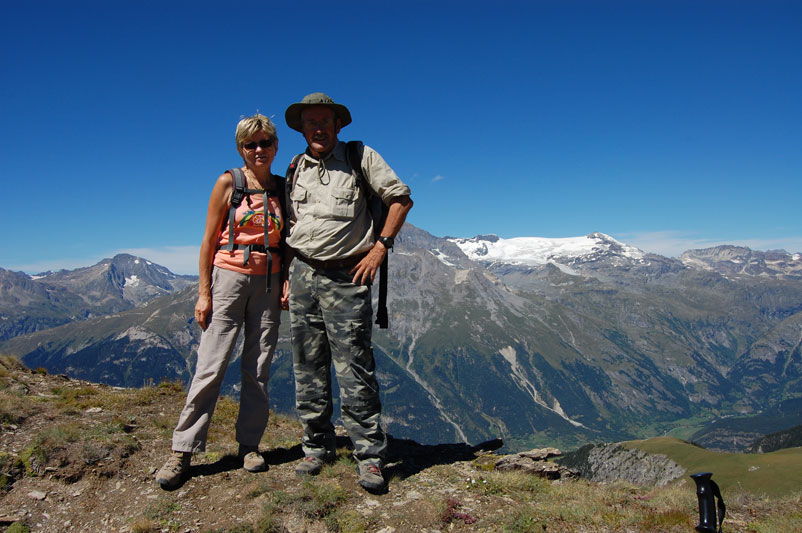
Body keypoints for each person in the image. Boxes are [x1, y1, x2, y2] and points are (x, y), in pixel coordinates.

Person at [282, 93, 413, 493]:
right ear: (302, 128)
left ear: (338, 125)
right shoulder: (294, 168)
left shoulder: (360, 157)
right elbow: (292, 223)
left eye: (325, 121)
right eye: (310, 122)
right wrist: (288, 274)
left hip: (346, 276)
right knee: (307, 364)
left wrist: (380, 247)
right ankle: (316, 447)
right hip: (303, 272)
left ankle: (370, 457)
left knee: (354, 367)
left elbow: (400, 198)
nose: (318, 128)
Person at [155, 114, 285, 489]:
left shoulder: (281, 188)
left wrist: (286, 280)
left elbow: (288, 240)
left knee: (258, 367)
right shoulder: (228, 182)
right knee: (210, 365)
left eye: (265, 143)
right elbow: (209, 240)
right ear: (241, 149)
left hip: (270, 281)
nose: (258, 150)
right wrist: (203, 292)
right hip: (228, 277)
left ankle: (249, 446)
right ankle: (182, 450)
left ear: (276, 146)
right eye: (251, 145)